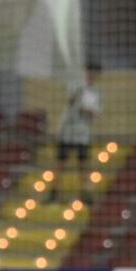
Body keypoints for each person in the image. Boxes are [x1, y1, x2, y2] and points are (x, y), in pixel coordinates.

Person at [52, 64, 101, 202]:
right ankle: (54, 193)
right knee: (60, 163)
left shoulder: (96, 93)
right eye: (90, 72)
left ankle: (86, 193)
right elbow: (70, 101)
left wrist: (84, 109)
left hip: (83, 135)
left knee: (84, 165)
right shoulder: (76, 86)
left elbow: (93, 113)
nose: (91, 76)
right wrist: (77, 97)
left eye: (95, 73)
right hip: (67, 132)